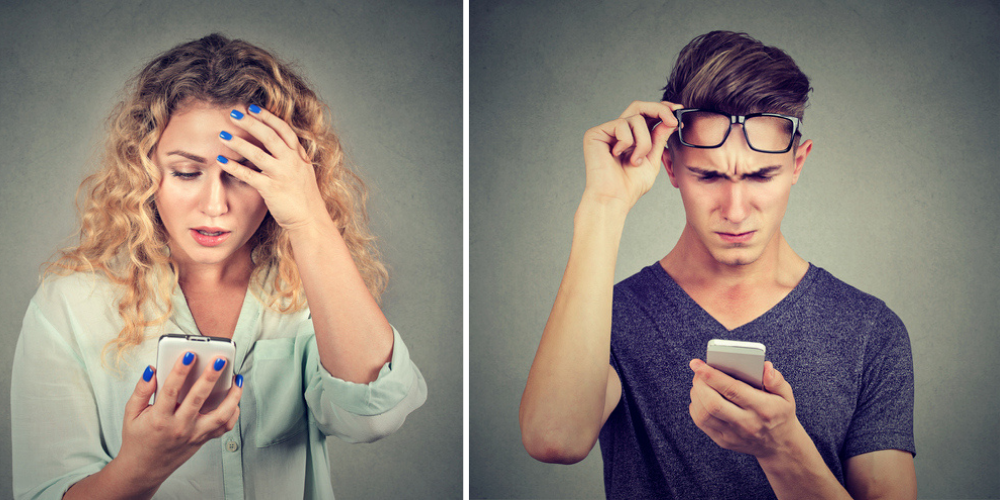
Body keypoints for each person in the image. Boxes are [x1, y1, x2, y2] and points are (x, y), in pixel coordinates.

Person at [11, 34, 427, 500]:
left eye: (245, 174)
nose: (215, 206)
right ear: (144, 170)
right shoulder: (70, 304)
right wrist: (140, 468)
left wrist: (308, 217)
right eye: (187, 172)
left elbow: (375, 416)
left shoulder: (311, 289)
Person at [520, 31, 916, 499]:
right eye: (707, 175)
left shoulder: (869, 330)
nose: (735, 210)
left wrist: (781, 448)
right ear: (670, 167)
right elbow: (554, 439)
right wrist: (604, 205)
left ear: (797, 164)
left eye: (761, 175)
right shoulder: (606, 318)